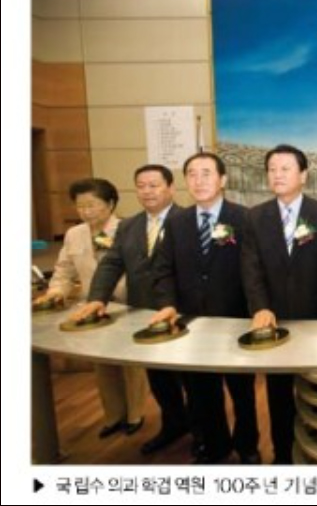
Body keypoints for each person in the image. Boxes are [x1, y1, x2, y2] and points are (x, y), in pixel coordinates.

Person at [76, 165, 194, 455]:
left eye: (154, 185)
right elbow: (112, 264)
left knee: (193, 381)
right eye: (141, 186)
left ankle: (203, 432)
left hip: (184, 316)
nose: (147, 191)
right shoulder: (128, 226)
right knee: (159, 379)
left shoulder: (188, 221)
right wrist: (97, 298)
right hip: (145, 317)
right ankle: (174, 424)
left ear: (171, 188)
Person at [152, 152, 260, 464]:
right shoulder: (176, 222)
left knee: (242, 392)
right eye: (192, 174)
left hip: (235, 320)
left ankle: (247, 446)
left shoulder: (244, 218)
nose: (198, 181)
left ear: (223, 179)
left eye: (206, 173)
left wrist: (258, 310)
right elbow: (163, 269)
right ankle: (215, 446)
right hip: (192, 324)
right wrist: (167, 304)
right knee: (201, 392)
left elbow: (255, 270)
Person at [241, 144, 317, 465]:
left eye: (285, 168)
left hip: (316, 325)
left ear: (303, 175)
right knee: (279, 395)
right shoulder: (255, 216)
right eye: (272, 169)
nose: (277, 174)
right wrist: (260, 307)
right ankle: (283, 456)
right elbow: (251, 268)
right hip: (275, 325)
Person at [35, 178, 149, 438]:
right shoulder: (74, 234)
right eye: (80, 206)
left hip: (125, 305)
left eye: (92, 205)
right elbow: (64, 270)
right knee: (102, 364)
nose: (85, 211)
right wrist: (55, 292)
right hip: (92, 309)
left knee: (130, 364)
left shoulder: (129, 229)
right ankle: (113, 415)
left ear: (110, 204)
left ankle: (135, 414)